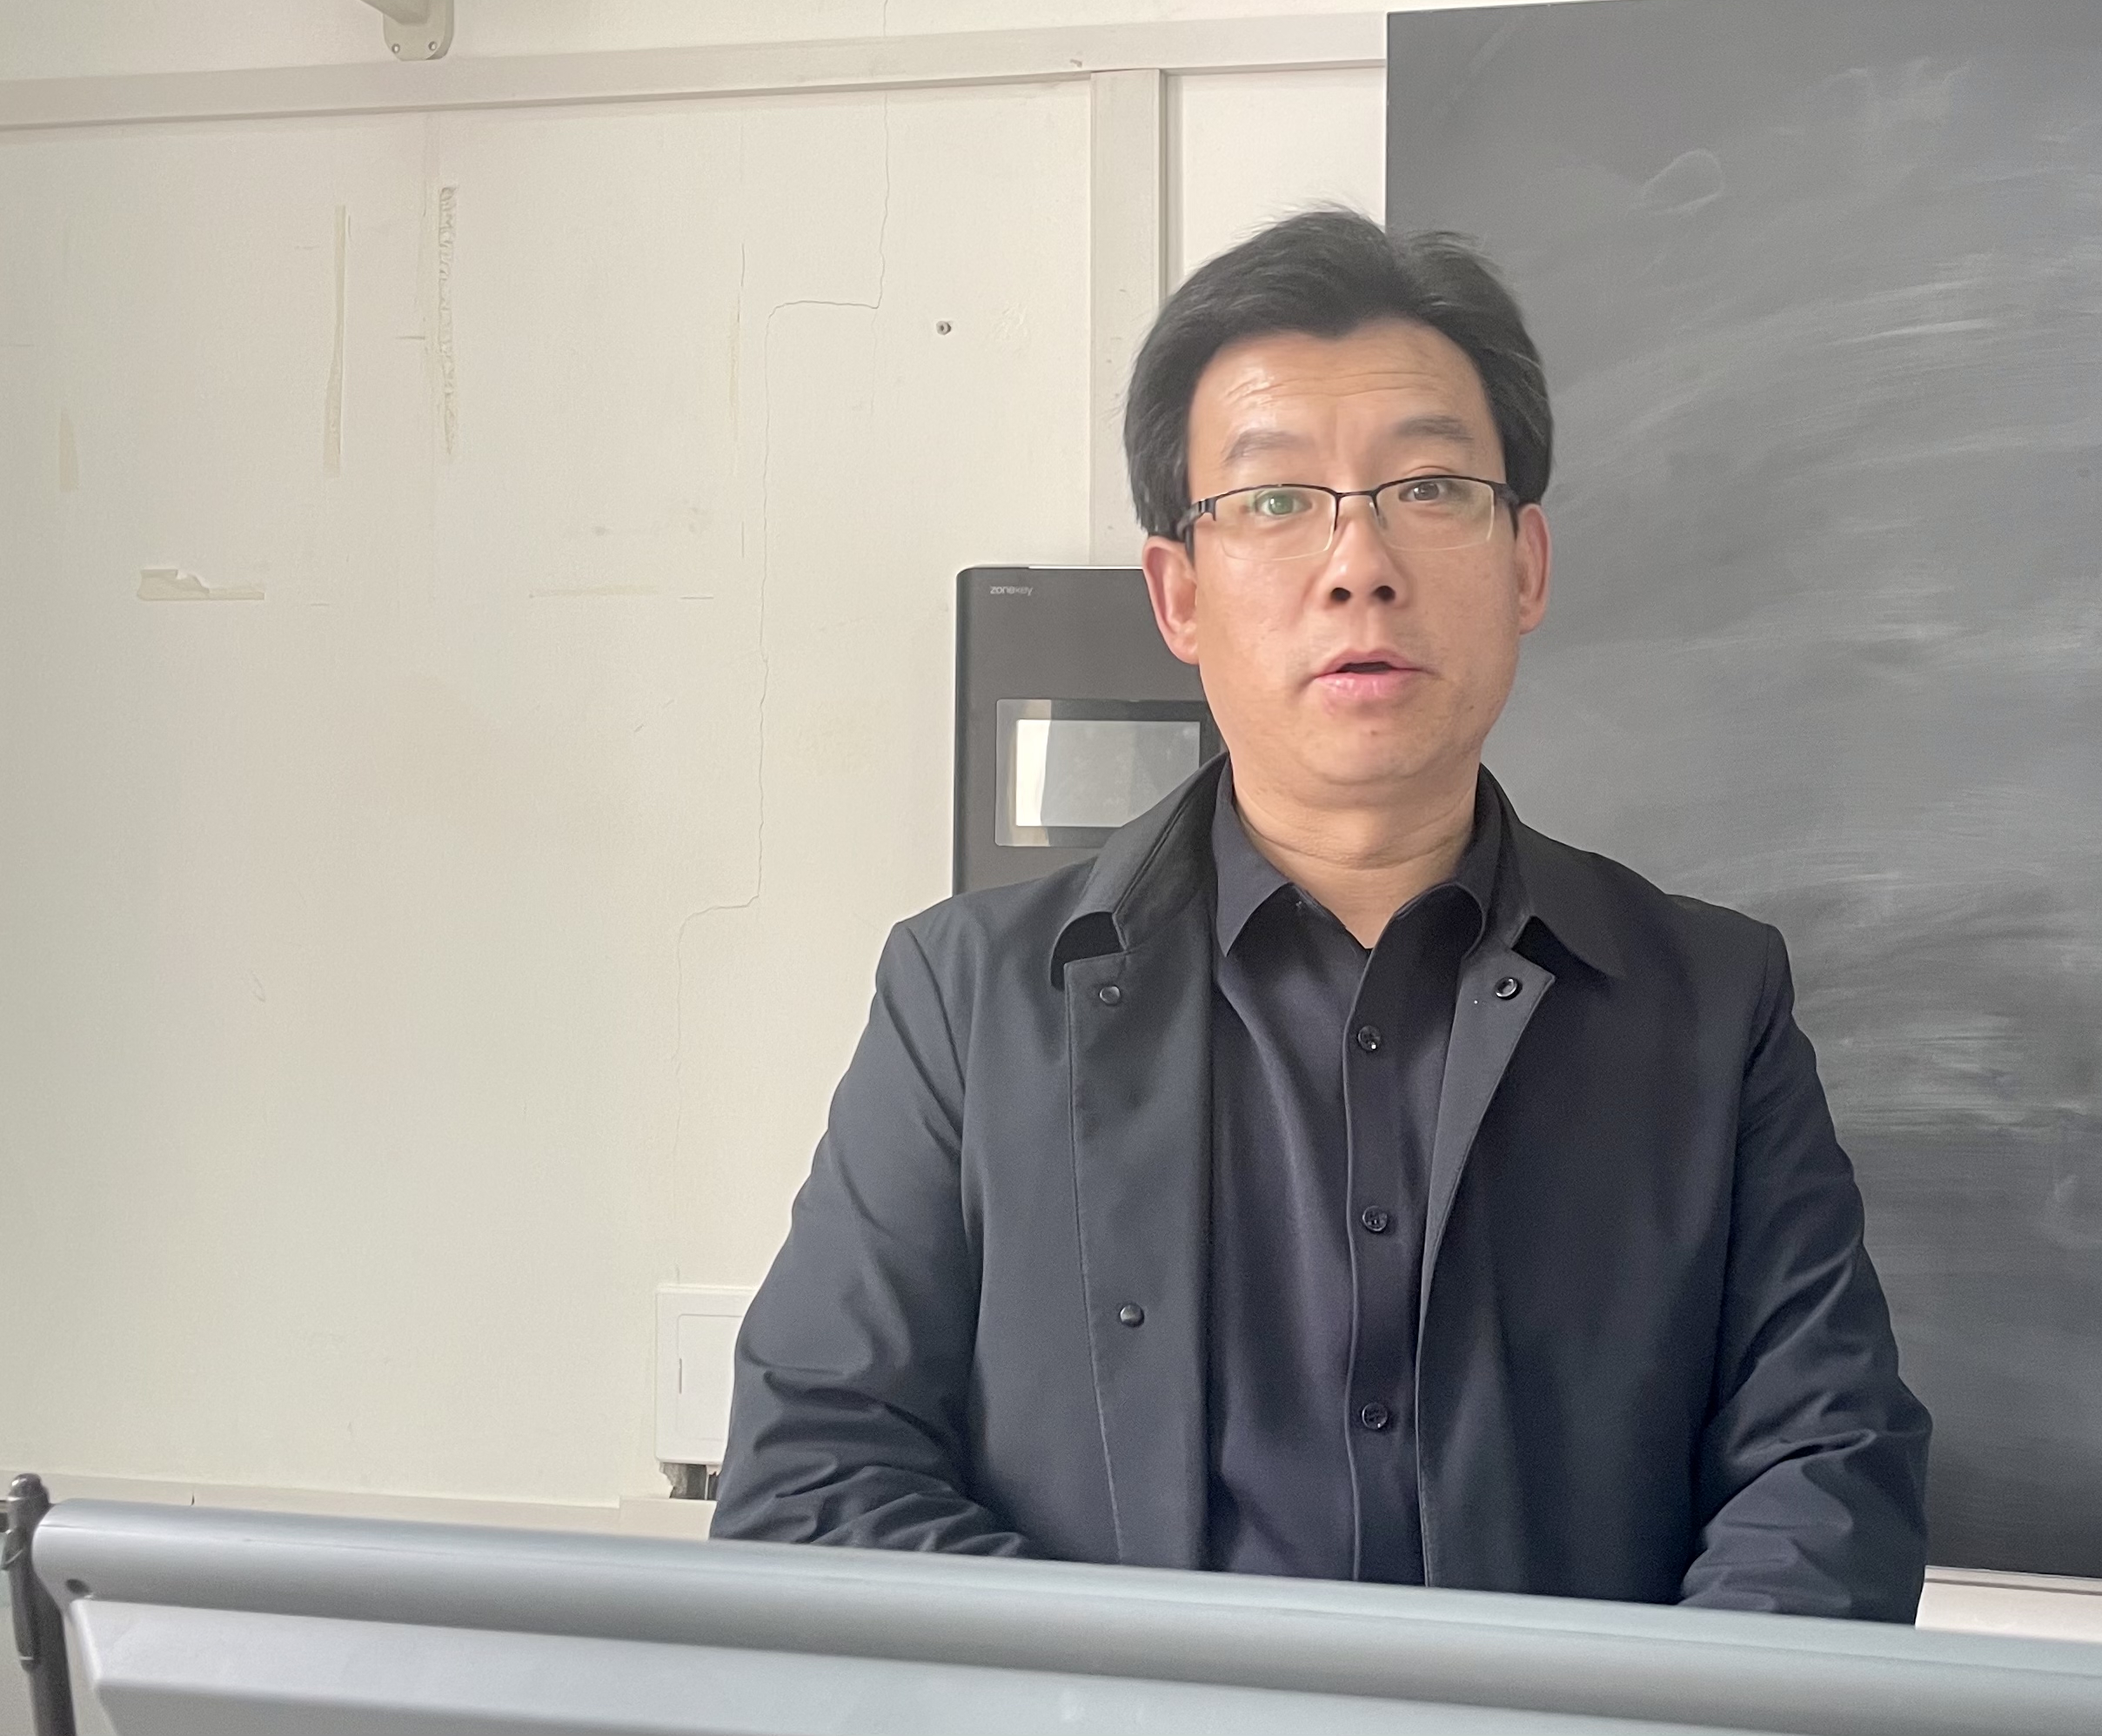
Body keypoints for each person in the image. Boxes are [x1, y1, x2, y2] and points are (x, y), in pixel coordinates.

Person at [712, 208, 1931, 1616]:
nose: (1359, 563)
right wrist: (1140, 1706)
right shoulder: (968, 1001)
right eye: (1275, 499)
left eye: (1428, 486)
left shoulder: (1709, 1004)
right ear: (1178, 592)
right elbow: (814, 1477)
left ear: (1524, 564)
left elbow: (1825, 1470)